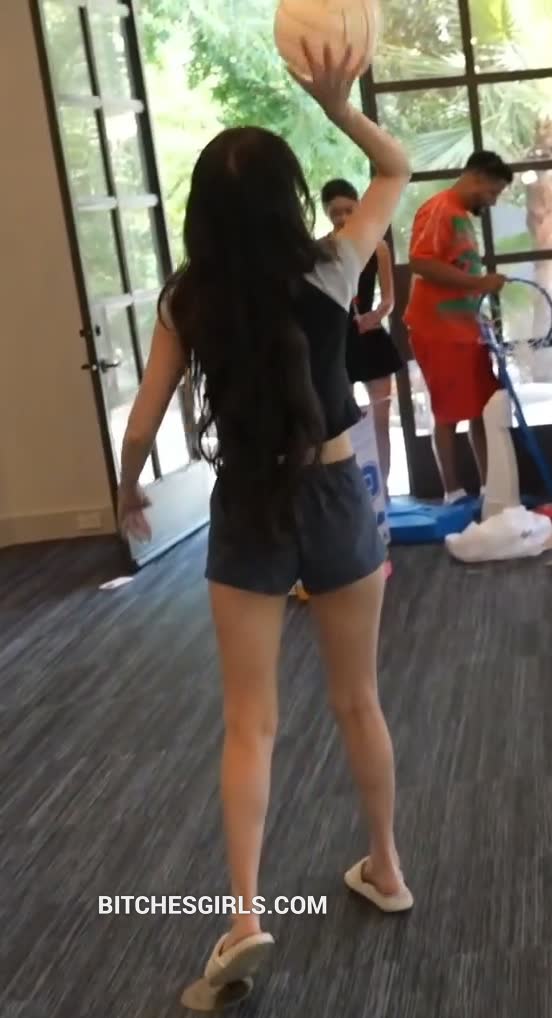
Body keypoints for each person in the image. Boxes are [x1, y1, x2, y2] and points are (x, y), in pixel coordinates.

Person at [117, 41, 412, 990]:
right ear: (288, 200)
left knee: (250, 723)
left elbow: (144, 421)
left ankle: (244, 916)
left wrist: (126, 488)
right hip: (335, 492)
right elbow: (396, 167)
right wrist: (337, 106)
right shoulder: (332, 266)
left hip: (246, 501)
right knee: (358, 701)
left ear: (201, 213)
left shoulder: (186, 299)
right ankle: (386, 868)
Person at [404, 151, 513, 503]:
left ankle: (489, 488)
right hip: (438, 330)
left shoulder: (461, 216)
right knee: (448, 412)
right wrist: (480, 284)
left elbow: (458, 274)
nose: (493, 201)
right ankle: (452, 492)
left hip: (466, 331)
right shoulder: (441, 209)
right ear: (476, 176)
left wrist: (479, 313)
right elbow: (421, 262)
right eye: (492, 192)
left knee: (482, 409)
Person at [321, 178, 403, 497]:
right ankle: (356, 493)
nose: (342, 218)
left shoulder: (378, 246)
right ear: (326, 212)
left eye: (348, 210)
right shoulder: (323, 250)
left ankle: (384, 491)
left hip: (370, 337)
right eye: (335, 212)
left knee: (381, 419)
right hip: (337, 342)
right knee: (345, 422)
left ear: (359, 207)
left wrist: (375, 316)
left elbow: (389, 300)